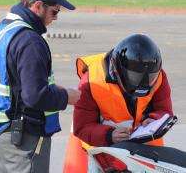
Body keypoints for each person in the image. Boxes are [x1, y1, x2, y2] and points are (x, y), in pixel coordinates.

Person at [0, 0, 81, 173]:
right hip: (24, 140)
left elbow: (14, 83)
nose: (55, 18)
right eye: (54, 11)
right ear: (37, 6)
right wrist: (67, 96)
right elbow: (35, 96)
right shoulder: (30, 41)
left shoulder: (0, 31)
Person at [63, 34, 174, 172]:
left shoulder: (158, 76)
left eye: (150, 77)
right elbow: (82, 126)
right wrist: (109, 135)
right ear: (117, 70)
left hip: (146, 151)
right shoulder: (91, 81)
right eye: (136, 77)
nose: (144, 83)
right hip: (103, 150)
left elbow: (165, 110)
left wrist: (153, 119)